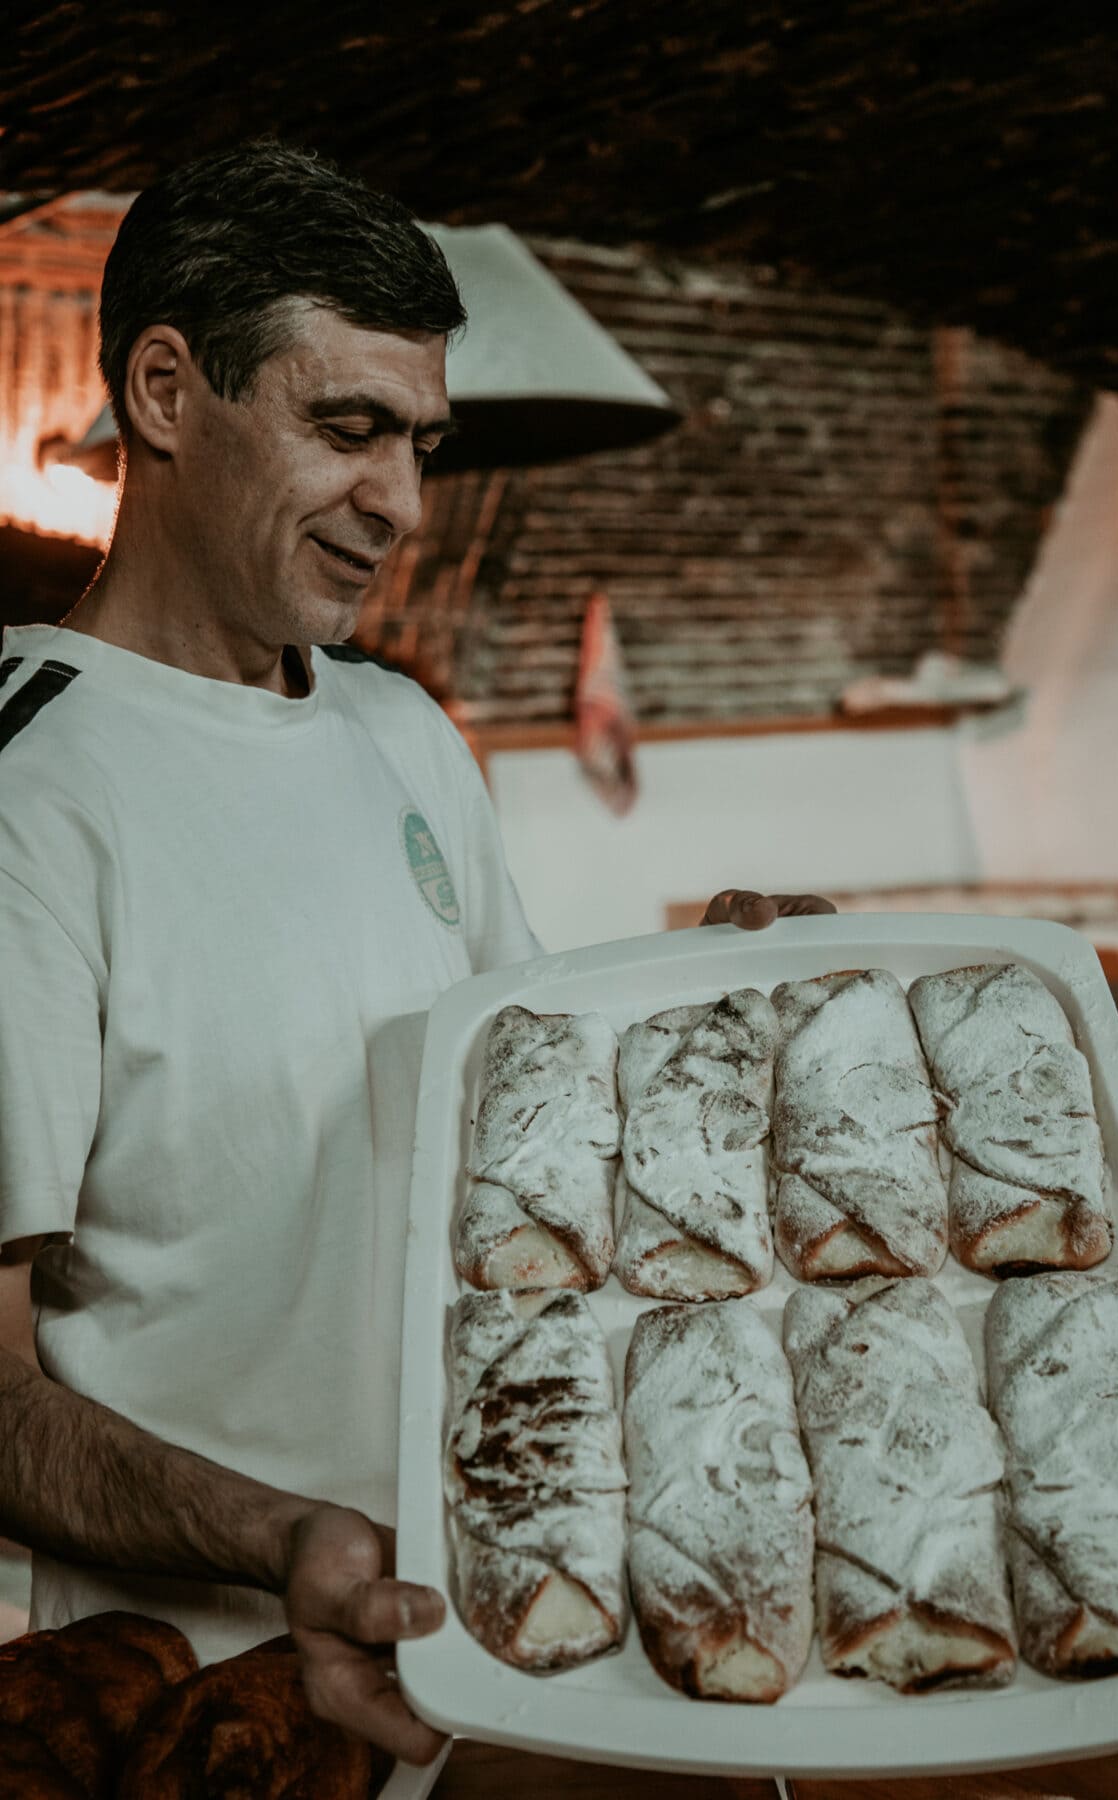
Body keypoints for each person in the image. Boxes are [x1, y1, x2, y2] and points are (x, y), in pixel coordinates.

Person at [0, 141, 834, 1767]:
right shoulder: (36, 793)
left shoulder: (401, 730)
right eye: (349, 427)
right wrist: (284, 1540)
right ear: (166, 393)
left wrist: (717, 1011)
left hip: (490, 1636)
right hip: (198, 1699)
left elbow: (522, 1106)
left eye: (421, 440)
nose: (404, 501)